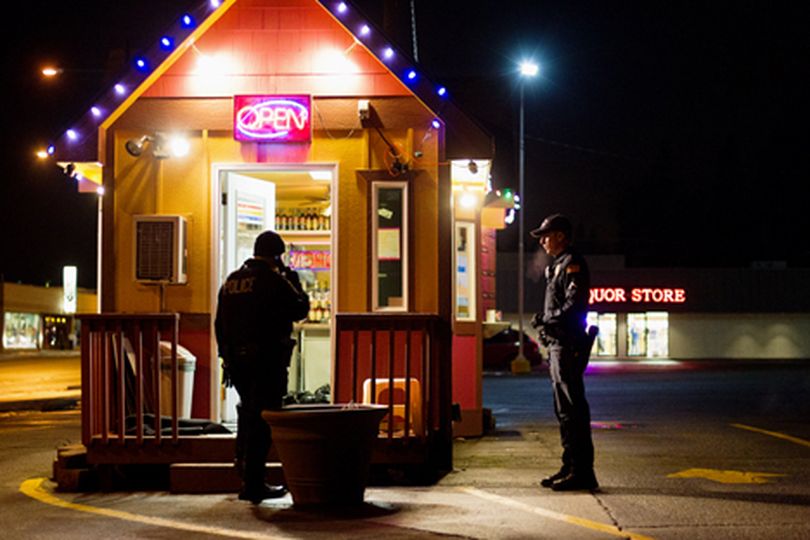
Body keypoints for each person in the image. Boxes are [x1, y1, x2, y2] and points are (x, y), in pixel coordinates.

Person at [215, 230, 310, 504]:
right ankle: (254, 483)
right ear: (277, 256)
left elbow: (219, 324)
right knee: (262, 420)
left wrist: (227, 357)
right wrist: (293, 282)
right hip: (266, 360)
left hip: (237, 361)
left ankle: (244, 469)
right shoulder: (273, 280)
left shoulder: (232, 281)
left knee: (247, 414)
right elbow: (300, 309)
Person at [530, 214, 598, 491]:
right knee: (564, 411)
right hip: (558, 345)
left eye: (546, 235)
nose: (543, 241)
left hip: (569, 345)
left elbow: (575, 303)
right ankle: (570, 466)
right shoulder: (557, 266)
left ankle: (583, 472)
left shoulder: (572, 264)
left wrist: (548, 319)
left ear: (561, 236)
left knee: (574, 410)